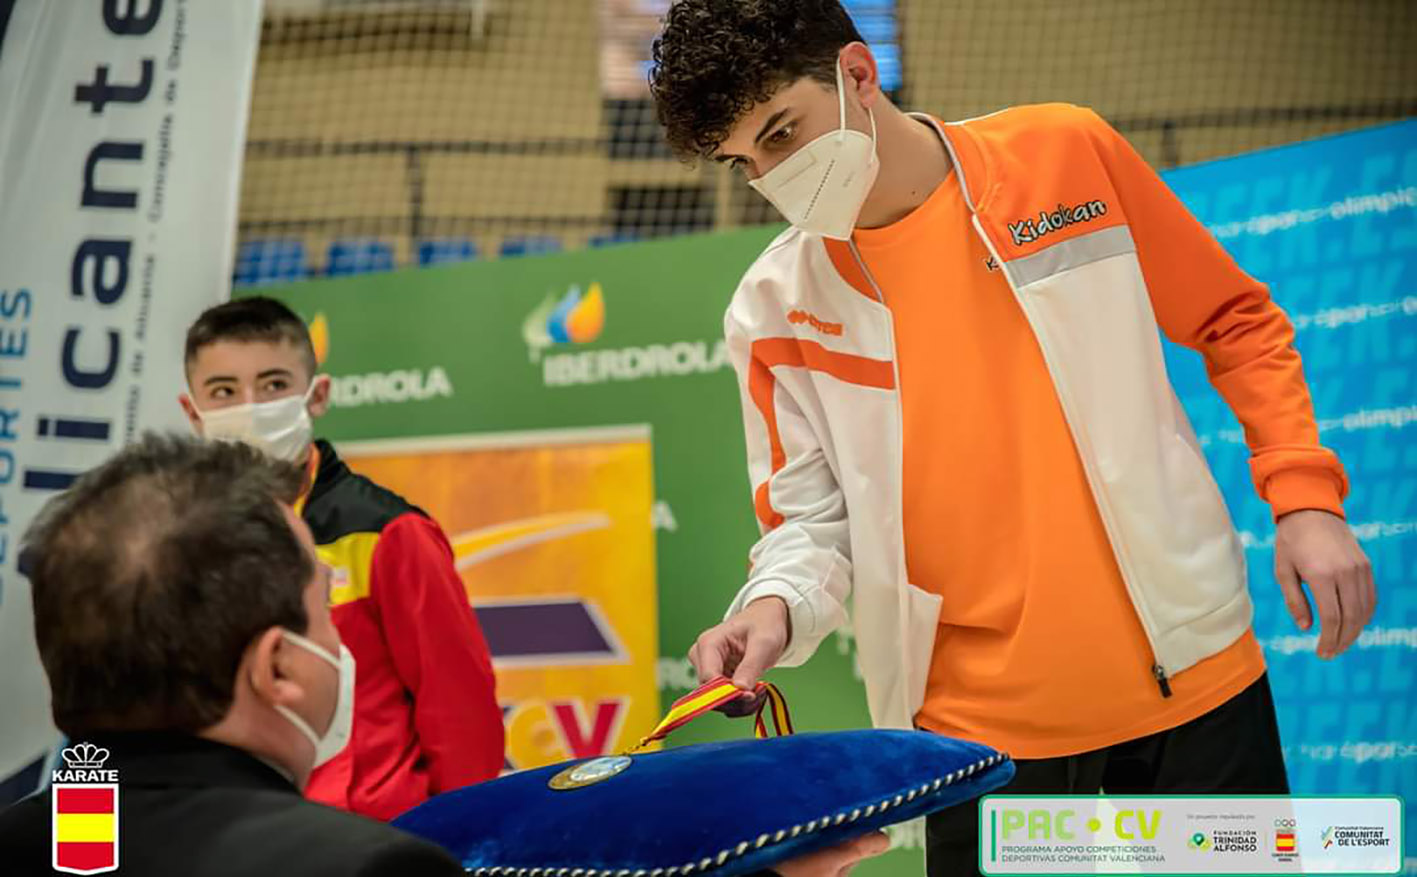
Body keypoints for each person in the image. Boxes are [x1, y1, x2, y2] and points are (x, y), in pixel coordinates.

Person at [647, 2, 1376, 875]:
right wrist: (771, 610)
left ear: (856, 72)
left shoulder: (1063, 154)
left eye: (782, 131)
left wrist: (1303, 499)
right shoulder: (770, 308)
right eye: (745, 161)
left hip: (1200, 687)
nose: (774, 174)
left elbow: (1235, 318)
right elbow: (807, 525)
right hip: (981, 750)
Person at [0, 435, 887, 877]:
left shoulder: (48, 830)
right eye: (326, 610)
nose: (340, 638)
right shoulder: (360, 867)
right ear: (278, 670)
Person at [179, 297, 503, 820]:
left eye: (274, 385)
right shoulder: (173, 547)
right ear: (192, 413)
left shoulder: (390, 534)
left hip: (376, 839)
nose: (251, 406)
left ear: (318, 395)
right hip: (234, 836)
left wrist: (460, 847)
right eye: (224, 392)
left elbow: (461, 717)